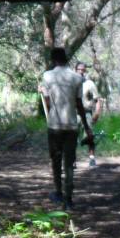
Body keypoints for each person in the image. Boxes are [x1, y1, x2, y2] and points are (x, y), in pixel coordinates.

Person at [40, 48, 93, 210]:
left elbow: (48, 102)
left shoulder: (47, 76)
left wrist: (44, 93)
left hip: (54, 125)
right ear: (66, 59)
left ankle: (58, 192)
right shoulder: (77, 78)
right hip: (71, 126)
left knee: (56, 160)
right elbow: (79, 105)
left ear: (54, 59)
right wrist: (86, 126)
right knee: (69, 163)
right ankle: (69, 199)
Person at [75, 62, 104, 168]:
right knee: (72, 136)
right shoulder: (71, 83)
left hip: (87, 113)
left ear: (85, 71)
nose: (81, 71)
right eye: (79, 69)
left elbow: (97, 100)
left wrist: (97, 113)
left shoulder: (90, 84)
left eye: (83, 70)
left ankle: (92, 159)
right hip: (74, 113)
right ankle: (72, 160)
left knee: (90, 136)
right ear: (75, 70)